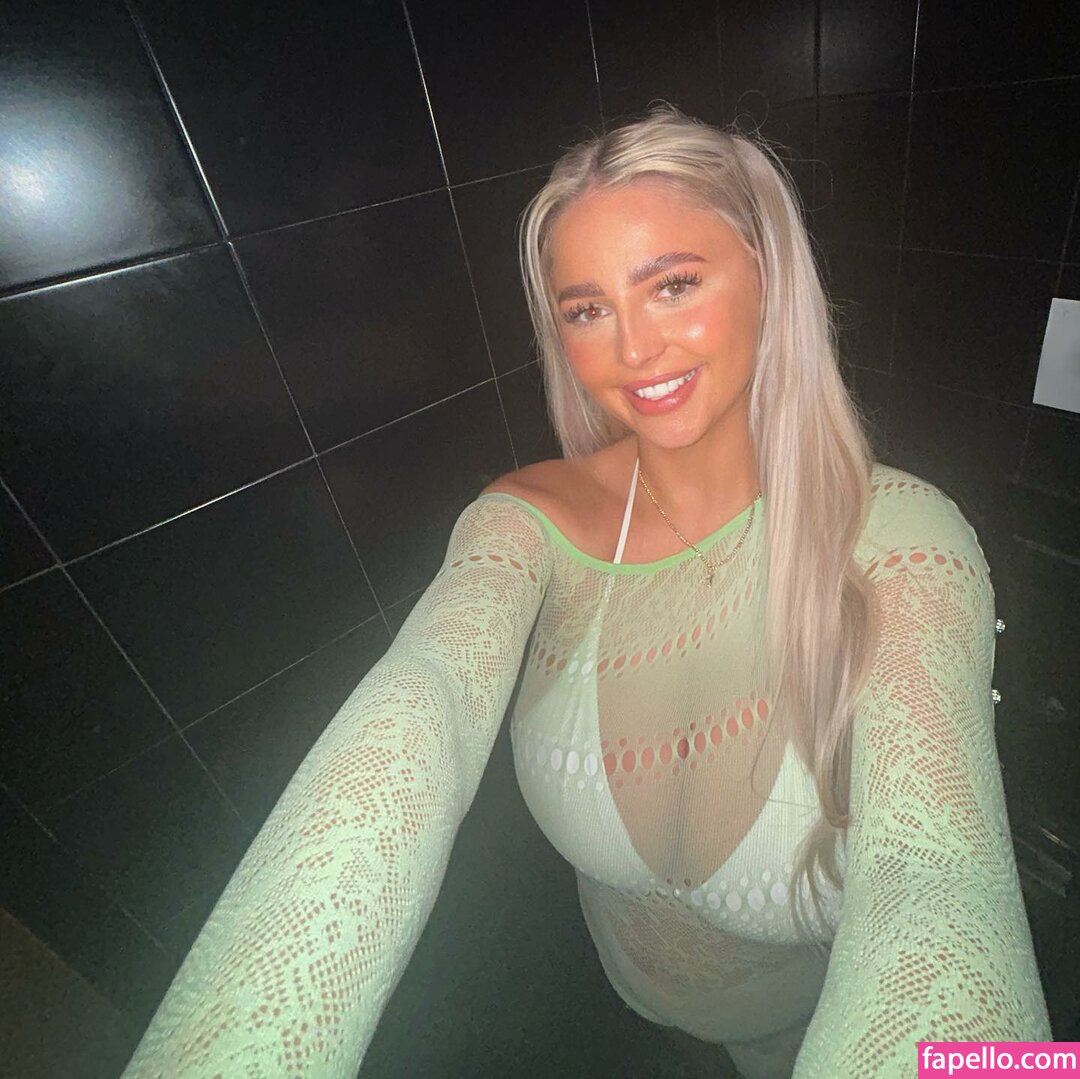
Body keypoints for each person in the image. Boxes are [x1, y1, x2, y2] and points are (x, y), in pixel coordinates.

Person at [120, 105, 1051, 1079]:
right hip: (626, 1004)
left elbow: (939, 874)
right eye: (587, 309)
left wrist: (1006, 1059)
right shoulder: (534, 521)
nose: (633, 350)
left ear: (771, 279)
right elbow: (423, 700)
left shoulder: (902, 540)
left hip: (802, 1030)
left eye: (673, 285)